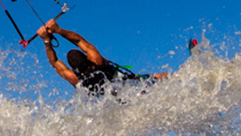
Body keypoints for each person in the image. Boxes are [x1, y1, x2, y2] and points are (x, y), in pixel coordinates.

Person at [35, 18, 167, 95]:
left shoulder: (75, 79)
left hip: (113, 105)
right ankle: (179, 75)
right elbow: (80, 41)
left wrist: (46, 40)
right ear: (86, 58)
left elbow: (55, 62)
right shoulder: (96, 60)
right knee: (157, 76)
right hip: (130, 87)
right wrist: (58, 30)